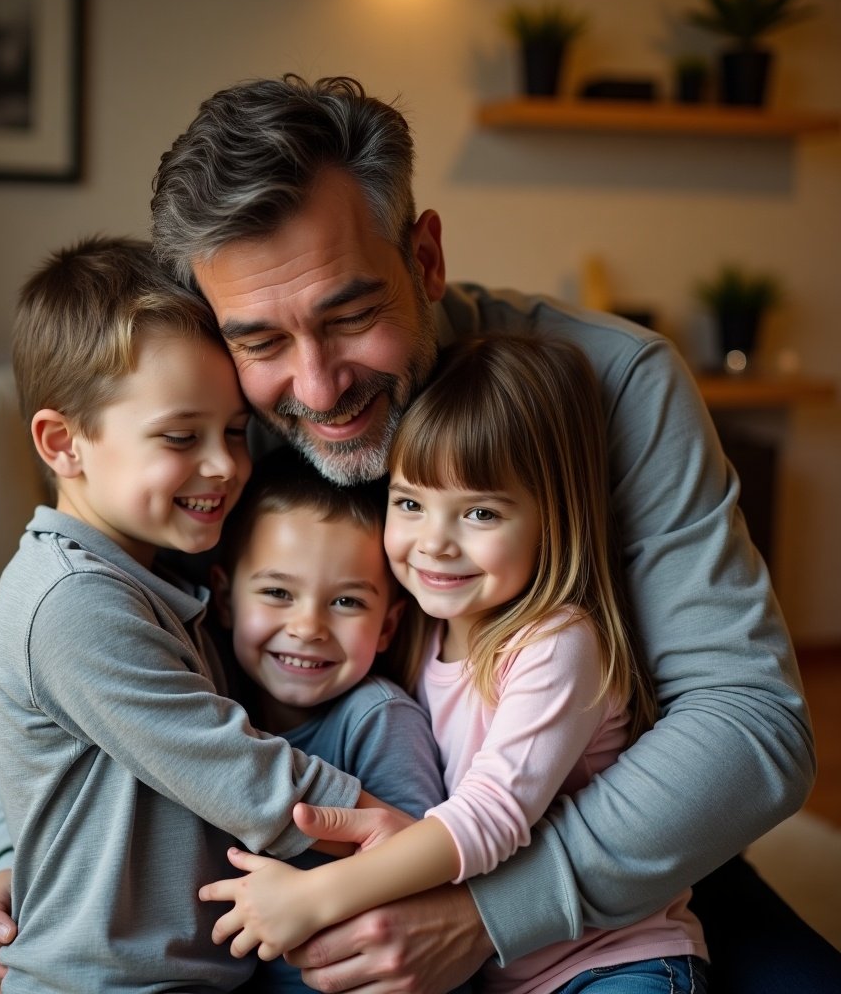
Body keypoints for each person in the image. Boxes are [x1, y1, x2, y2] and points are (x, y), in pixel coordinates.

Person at [0, 76, 836, 992]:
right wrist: (14, 851)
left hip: (586, 842)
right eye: (261, 340)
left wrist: (484, 914)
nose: (315, 389)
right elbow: (87, 645)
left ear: (424, 258)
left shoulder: (613, 386)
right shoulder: (221, 422)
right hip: (312, 872)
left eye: (350, 316)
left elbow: (753, 727)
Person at [200, 335, 708, 994]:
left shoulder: (556, 643)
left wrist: (317, 895)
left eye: (480, 512)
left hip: (613, 964)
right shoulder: (420, 633)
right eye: (410, 503)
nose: (435, 543)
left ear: (552, 522)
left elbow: (490, 817)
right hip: (497, 973)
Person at [0, 236, 373, 994]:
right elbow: (247, 777)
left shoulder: (151, 564)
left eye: (233, 432)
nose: (225, 465)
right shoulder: (74, 602)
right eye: (180, 437)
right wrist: (421, 840)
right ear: (64, 444)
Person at [210, 445, 453, 993]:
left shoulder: (379, 718)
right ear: (226, 599)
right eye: (277, 593)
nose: (308, 626)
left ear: (388, 626)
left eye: (346, 603)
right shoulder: (209, 697)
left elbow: (421, 872)